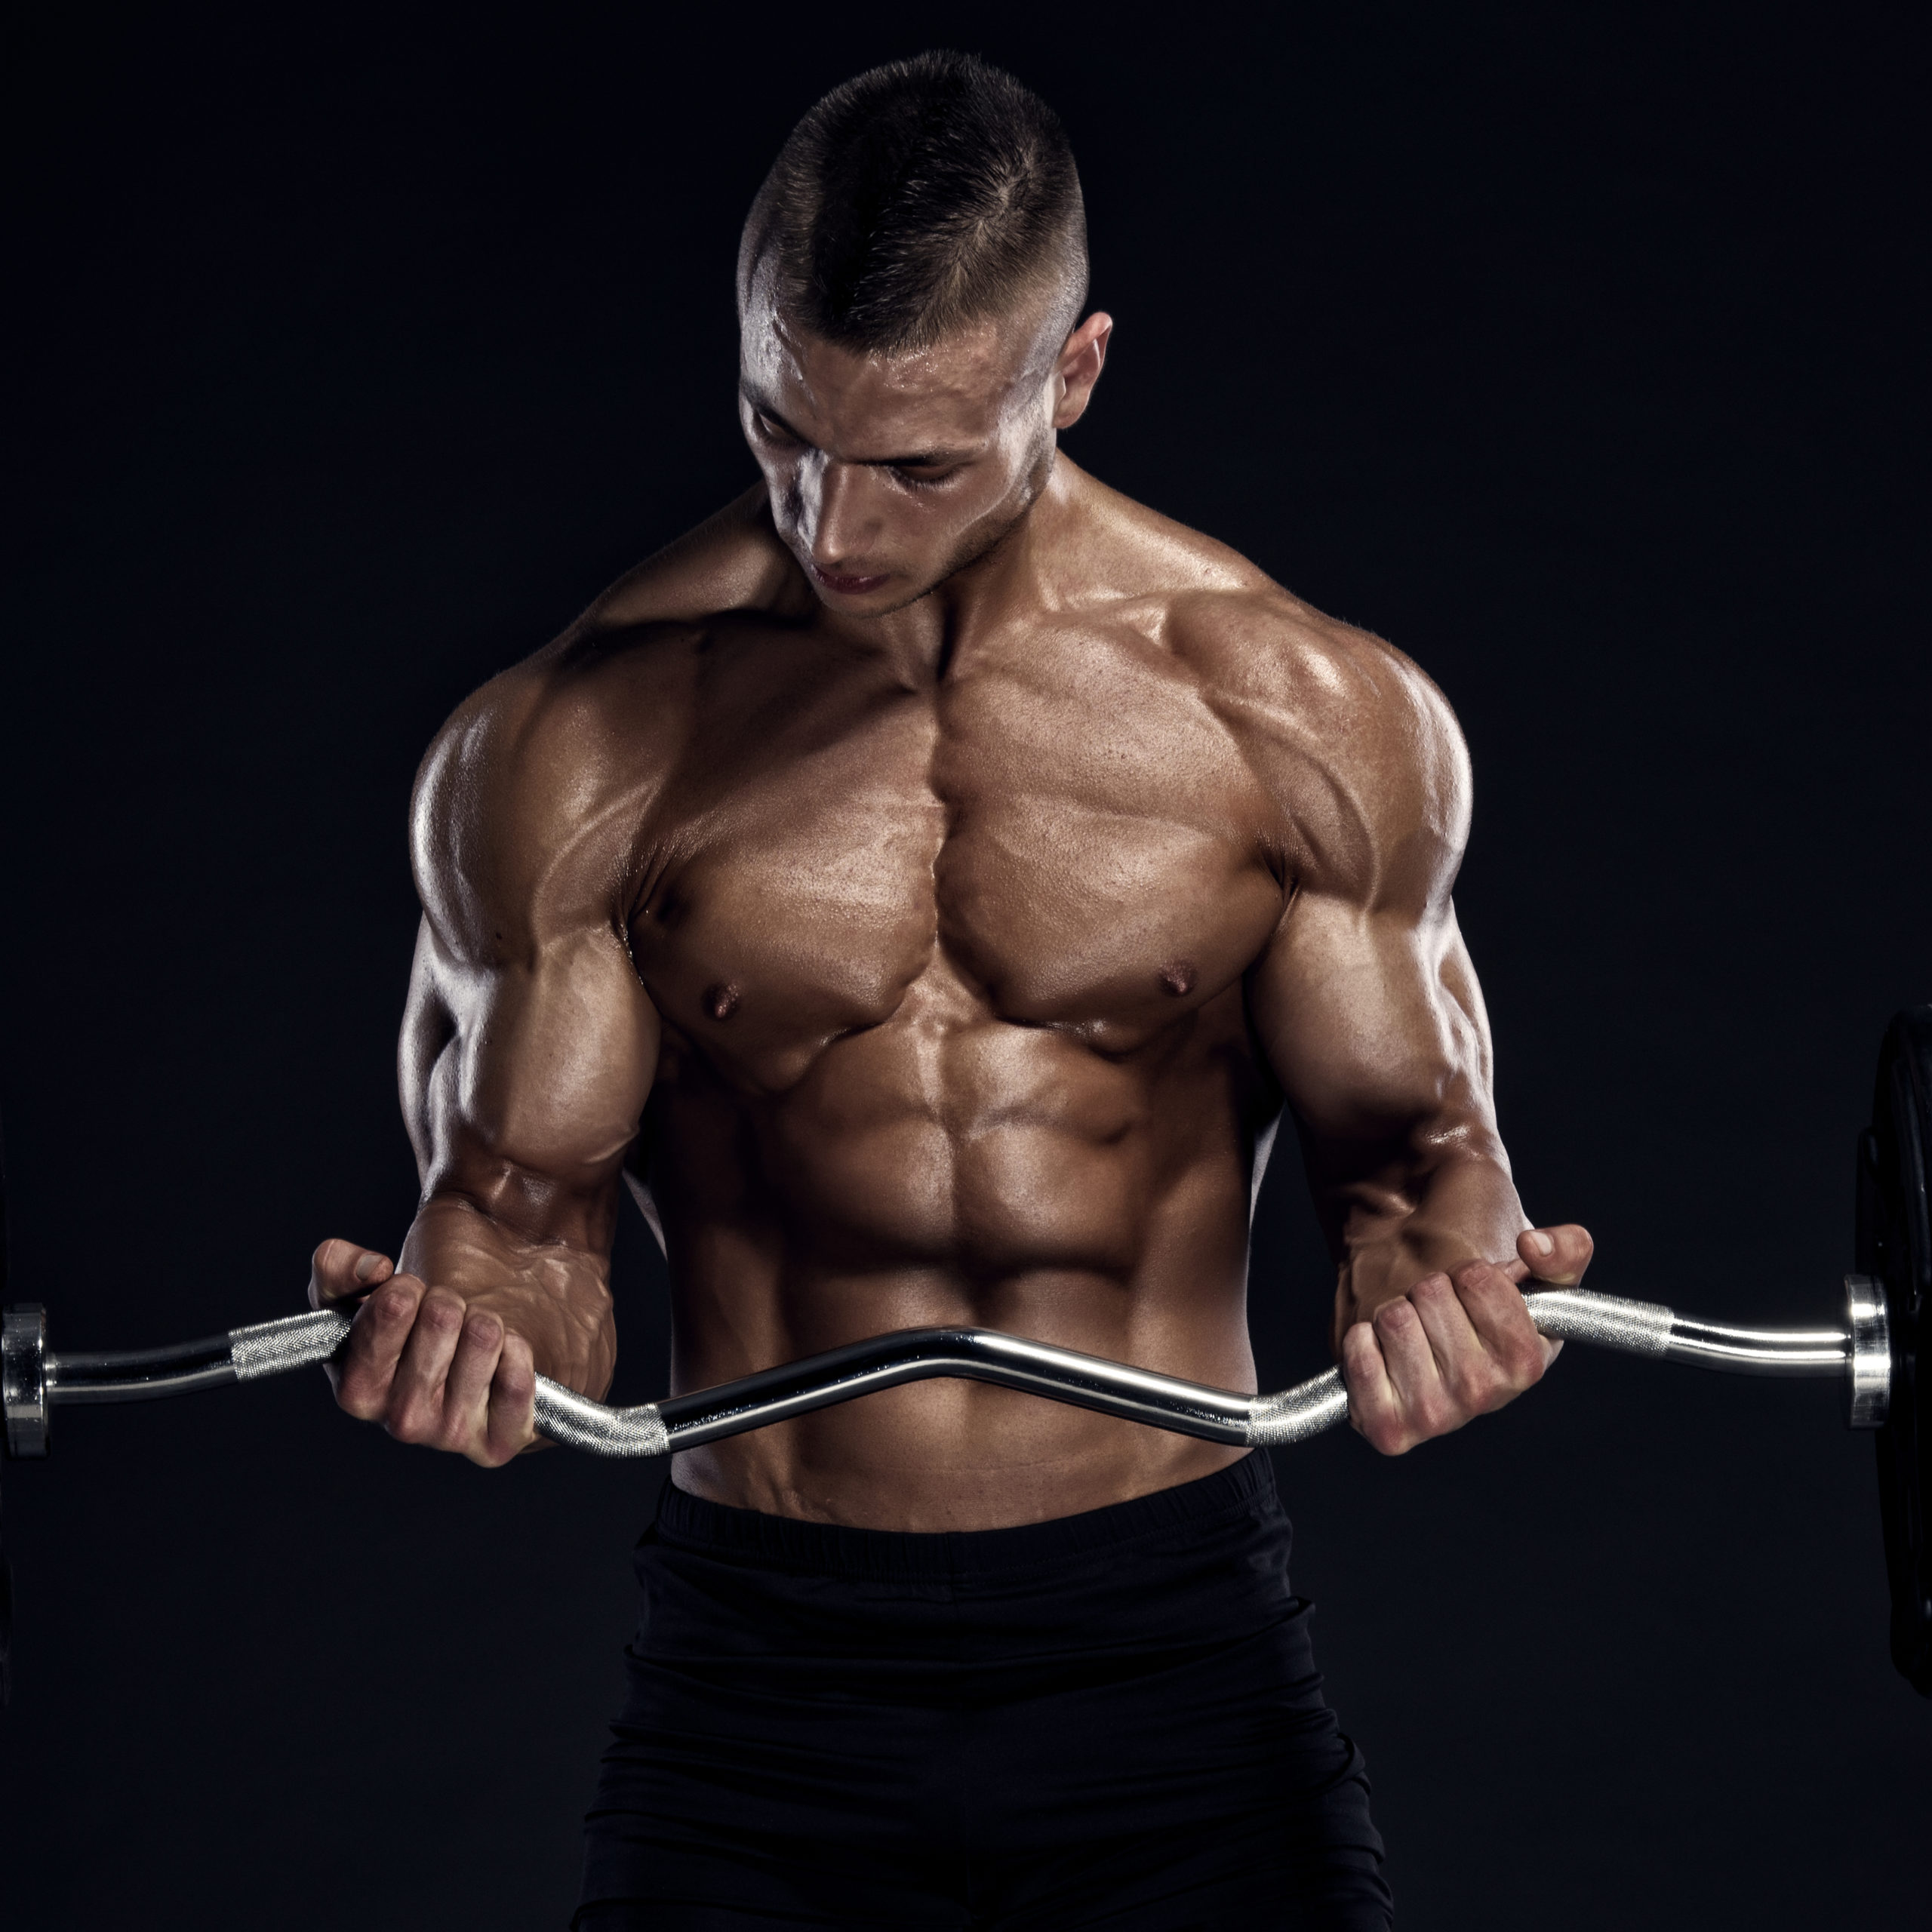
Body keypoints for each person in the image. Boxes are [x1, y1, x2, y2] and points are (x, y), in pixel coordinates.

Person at [309, 51, 1592, 1930]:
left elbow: (1415, 1168)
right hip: (762, 1676)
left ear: (1067, 375)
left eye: (915, 462)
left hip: (1174, 1660)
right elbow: (522, 1235)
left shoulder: (1297, 717)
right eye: (780, 431)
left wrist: (1440, 1293)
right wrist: (471, 1341)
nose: (833, 526)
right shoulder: (570, 746)